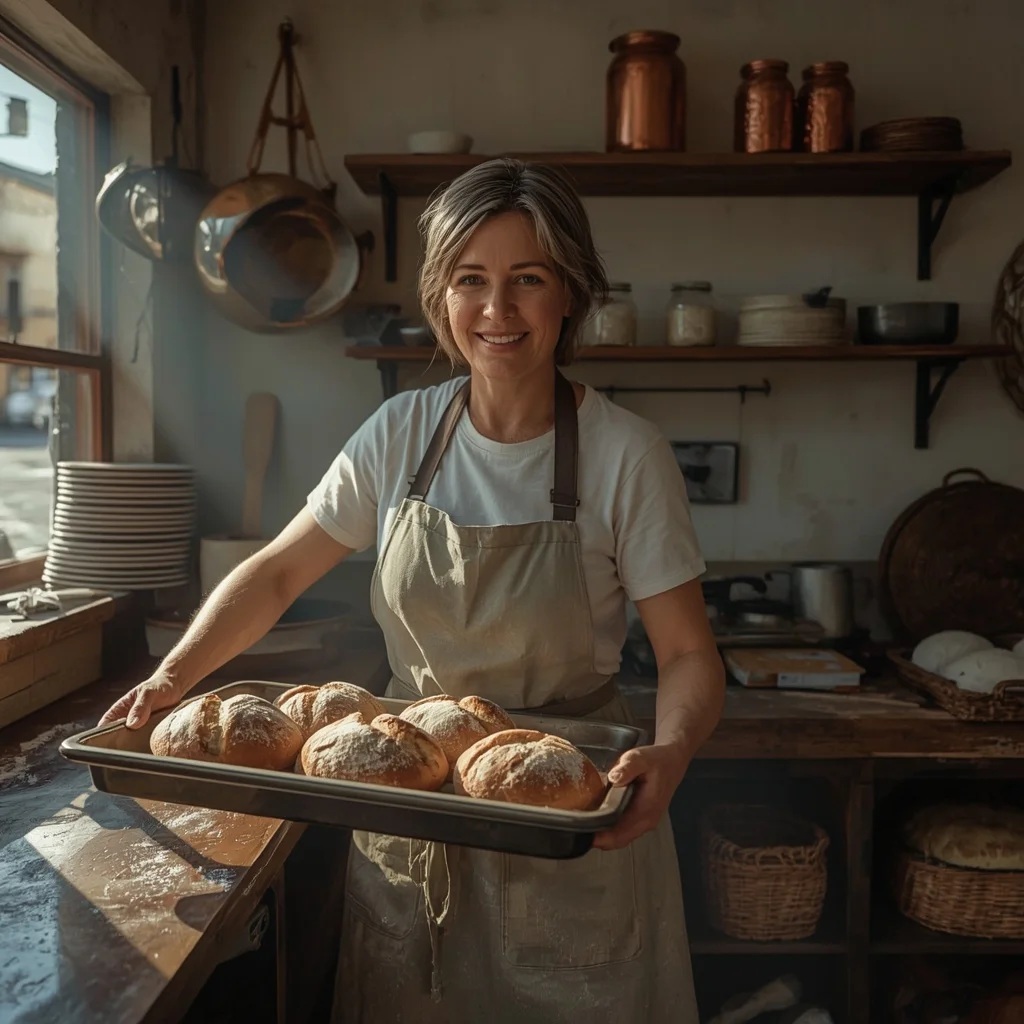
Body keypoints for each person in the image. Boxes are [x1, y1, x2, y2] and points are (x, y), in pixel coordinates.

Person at [101, 157, 725, 1023]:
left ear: (570, 295)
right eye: (471, 280)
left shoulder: (626, 454)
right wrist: (174, 677)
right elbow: (280, 570)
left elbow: (690, 651)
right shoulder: (399, 434)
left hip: (566, 813)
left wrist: (673, 751)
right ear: (441, 296)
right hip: (408, 797)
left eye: (527, 280)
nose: (497, 311)